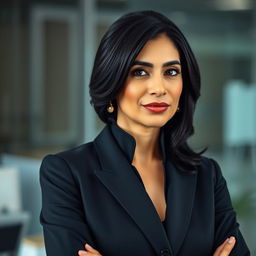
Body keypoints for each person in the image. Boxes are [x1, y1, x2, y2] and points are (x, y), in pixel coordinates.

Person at [39, 10, 250, 256]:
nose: (159, 88)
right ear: (112, 80)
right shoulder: (66, 174)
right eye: (140, 72)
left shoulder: (207, 174)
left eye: (171, 72)